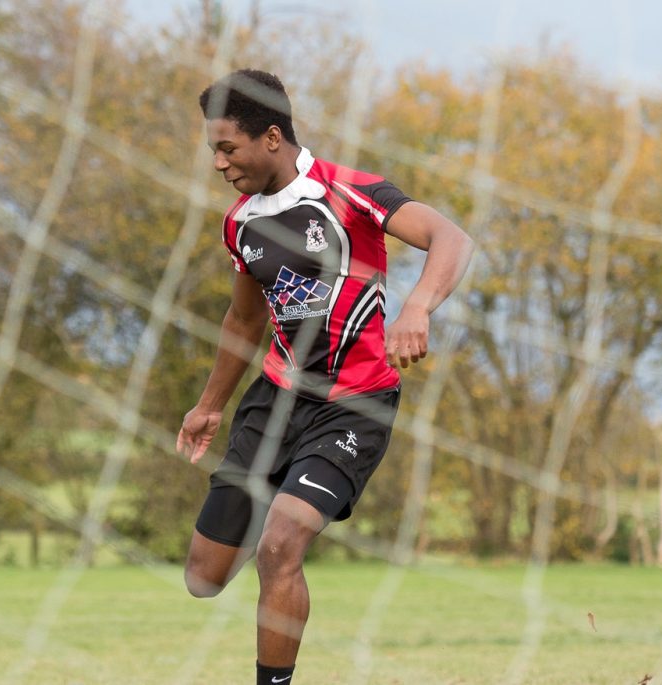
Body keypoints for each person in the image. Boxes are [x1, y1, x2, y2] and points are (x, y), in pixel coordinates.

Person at [175, 69, 474, 685]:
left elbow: (451, 237)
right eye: (214, 151)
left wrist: (416, 306)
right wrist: (209, 405)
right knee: (203, 578)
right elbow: (245, 316)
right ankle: (265, 506)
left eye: (227, 148)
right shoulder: (240, 224)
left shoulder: (351, 191)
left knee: (281, 545)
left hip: (355, 406)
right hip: (273, 401)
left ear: (272, 138)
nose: (219, 163)